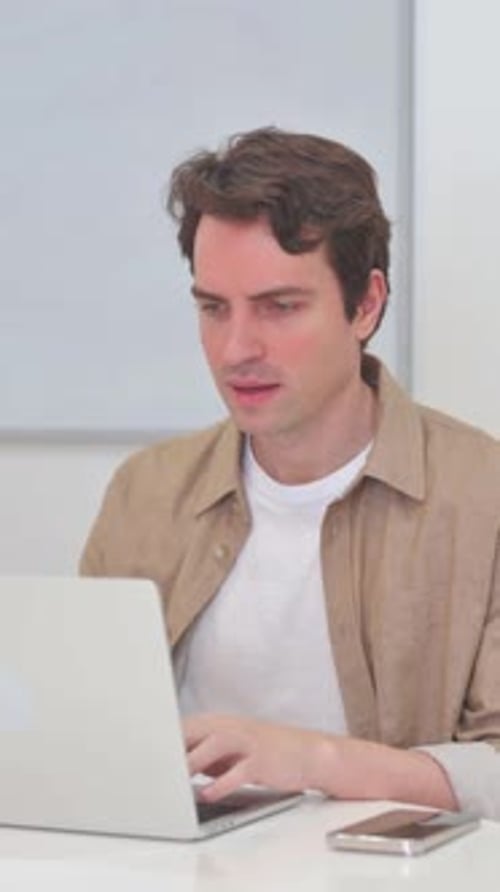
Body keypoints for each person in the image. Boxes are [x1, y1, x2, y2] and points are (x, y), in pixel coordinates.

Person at [80, 127, 500, 819]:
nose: (236, 348)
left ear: (365, 305)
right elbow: (90, 734)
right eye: (213, 308)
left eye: (280, 307)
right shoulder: (144, 491)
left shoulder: (481, 496)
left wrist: (315, 761)